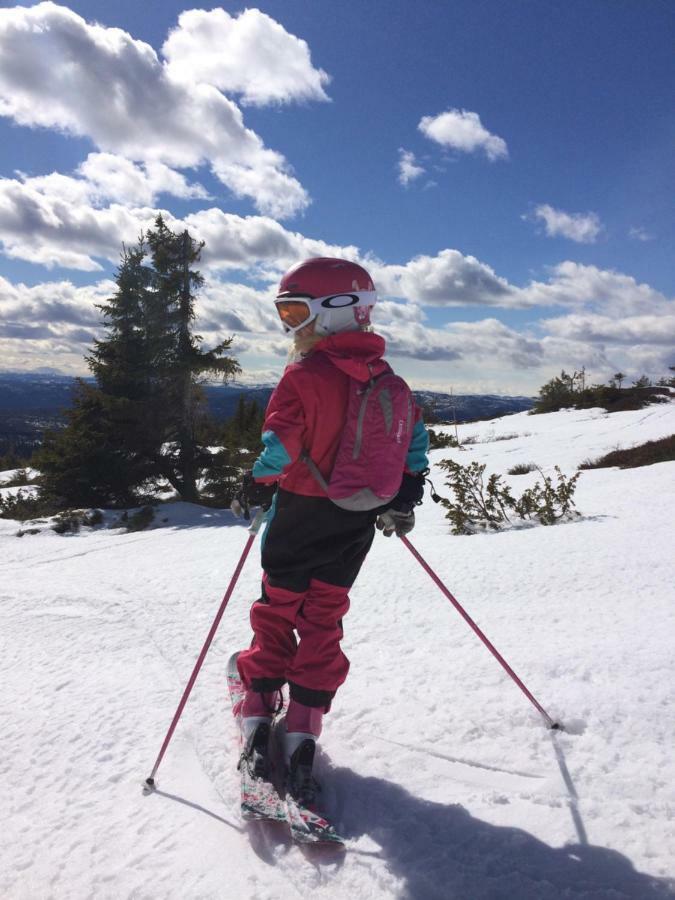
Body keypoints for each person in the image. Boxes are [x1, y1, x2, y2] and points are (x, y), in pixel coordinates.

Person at [232, 257, 429, 804]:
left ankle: (258, 705)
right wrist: (403, 496)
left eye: (296, 312)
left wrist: (257, 485)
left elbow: (282, 443)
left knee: (278, 606)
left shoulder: (304, 375)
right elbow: (415, 443)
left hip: (299, 513)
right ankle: (303, 724)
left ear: (338, 312)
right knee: (324, 612)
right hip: (355, 520)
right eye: (285, 312)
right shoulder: (391, 381)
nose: (290, 326)